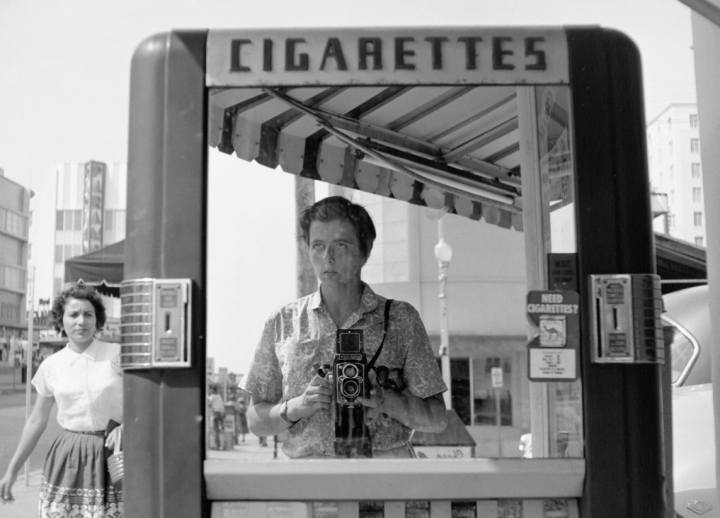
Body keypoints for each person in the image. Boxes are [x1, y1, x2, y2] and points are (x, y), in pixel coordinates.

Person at [243, 196, 448, 458]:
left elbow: (437, 419)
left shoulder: (399, 319)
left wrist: (385, 400)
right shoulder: (283, 322)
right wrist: (297, 407)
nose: (327, 257)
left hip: (386, 478)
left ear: (365, 250)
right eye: (318, 245)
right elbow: (255, 420)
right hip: (312, 480)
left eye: (340, 245)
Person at [0, 281, 123, 517]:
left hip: (114, 453)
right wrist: (12, 470)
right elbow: (36, 421)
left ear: (98, 319)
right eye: (74, 314)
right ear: (61, 319)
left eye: (88, 314)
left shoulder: (116, 355)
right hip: (69, 456)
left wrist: (128, 425)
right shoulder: (51, 365)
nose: (81, 321)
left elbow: (143, 400)